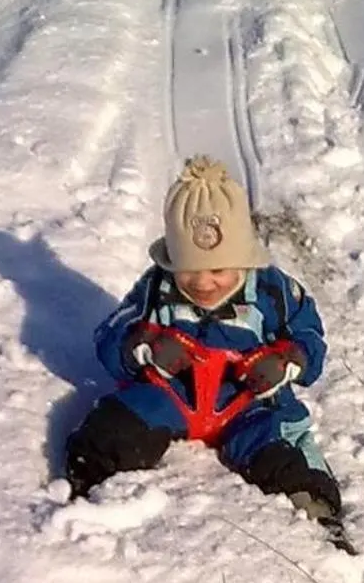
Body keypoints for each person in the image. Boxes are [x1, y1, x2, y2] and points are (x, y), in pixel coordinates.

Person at [64, 156, 349, 545]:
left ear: (243, 259)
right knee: (119, 422)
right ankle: (83, 488)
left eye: (218, 271)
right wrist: (144, 346)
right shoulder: (156, 288)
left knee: (280, 445)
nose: (203, 283)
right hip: (175, 396)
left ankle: (318, 512)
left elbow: (310, 336)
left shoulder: (273, 291)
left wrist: (286, 362)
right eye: (190, 271)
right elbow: (110, 336)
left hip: (248, 403)